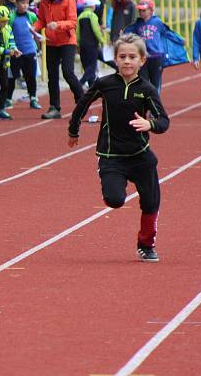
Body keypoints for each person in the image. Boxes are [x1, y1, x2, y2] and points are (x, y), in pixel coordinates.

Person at [68, 33, 169, 262]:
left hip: (140, 156)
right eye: (122, 56)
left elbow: (164, 121)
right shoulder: (105, 84)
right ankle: (111, 186)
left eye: (132, 57)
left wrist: (149, 124)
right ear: (115, 59)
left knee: (151, 202)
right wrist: (73, 130)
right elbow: (82, 104)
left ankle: (146, 244)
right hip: (111, 155)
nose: (127, 61)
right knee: (115, 200)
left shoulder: (147, 89)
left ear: (142, 60)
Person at [33, 0, 84, 119]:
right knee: (52, 75)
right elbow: (42, 20)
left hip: (67, 41)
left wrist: (58, 25)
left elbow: (73, 22)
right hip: (51, 42)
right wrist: (34, 28)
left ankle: (82, 100)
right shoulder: (43, 0)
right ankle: (54, 107)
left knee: (68, 72)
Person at [124, 0, 184, 91]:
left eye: (144, 10)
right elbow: (127, 31)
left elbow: (168, 32)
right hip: (143, 57)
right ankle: (146, 102)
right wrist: (120, 35)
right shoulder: (138, 23)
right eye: (140, 10)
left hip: (156, 56)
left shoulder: (157, 22)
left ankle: (155, 102)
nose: (141, 12)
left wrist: (180, 40)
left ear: (151, 10)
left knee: (155, 83)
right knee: (143, 82)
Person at [6, 0, 42, 109]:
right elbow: (7, 31)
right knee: (12, 76)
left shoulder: (31, 16)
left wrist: (38, 41)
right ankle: (8, 99)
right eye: (22, 3)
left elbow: (38, 27)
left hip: (30, 50)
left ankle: (33, 98)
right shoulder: (11, 17)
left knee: (30, 76)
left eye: (27, 3)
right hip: (16, 51)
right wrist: (10, 48)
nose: (25, 5)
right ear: (16, 3)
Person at [0, 5, 21, 120]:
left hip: (4, 62)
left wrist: (14, 49)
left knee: (5, 85)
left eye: (6, 21)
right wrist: (8, 52)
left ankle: (2, 109)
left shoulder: (8, 28)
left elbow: (11, 41)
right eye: (2, 21)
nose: (4, 23)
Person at [77, 0, 105, 89]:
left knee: (86, 65)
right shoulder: (93, 16)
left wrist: (78, 44)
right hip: (92, 44)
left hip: (83, 45)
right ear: (92, 6)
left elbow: (77, 32)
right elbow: (96, 30)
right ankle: (80, 83)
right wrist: (102, 41)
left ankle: (91, 87)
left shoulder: (80, 16)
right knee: (92, 66)